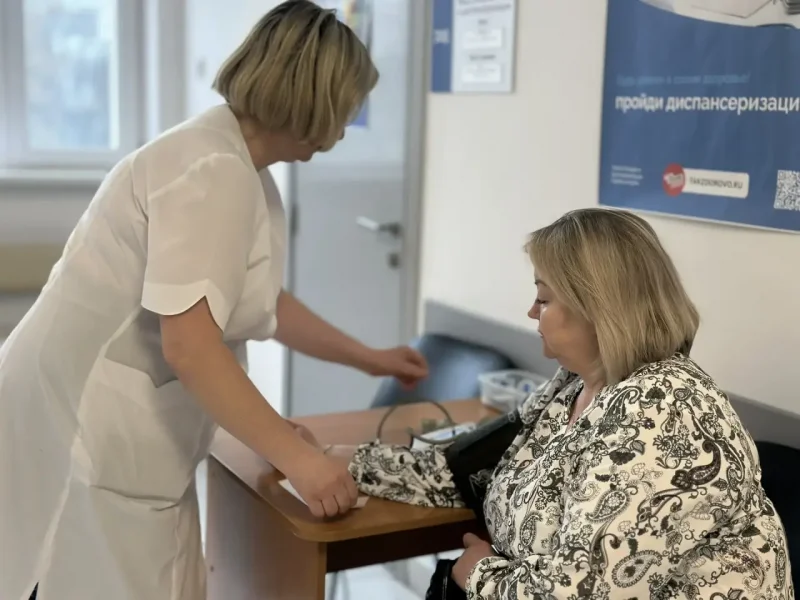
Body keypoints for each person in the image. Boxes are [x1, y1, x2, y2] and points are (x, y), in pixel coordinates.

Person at [0, 2, 429, 600]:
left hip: (128, 431)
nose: (345, 127)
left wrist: (369, 359)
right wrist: (297, 458)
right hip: (87, 428)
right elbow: (193, 347)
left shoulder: (238, 166)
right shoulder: (209, 170)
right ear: (316, 99)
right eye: (348, 106)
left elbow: (260, 300)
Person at [306, 209, 795, 599]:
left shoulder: (663, 413)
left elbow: (580, 593)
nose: (530, 312)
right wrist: (345, 461)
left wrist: (478, 574)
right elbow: (471, 465)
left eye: (543, 299)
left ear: (597, 308)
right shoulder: (574, 383)